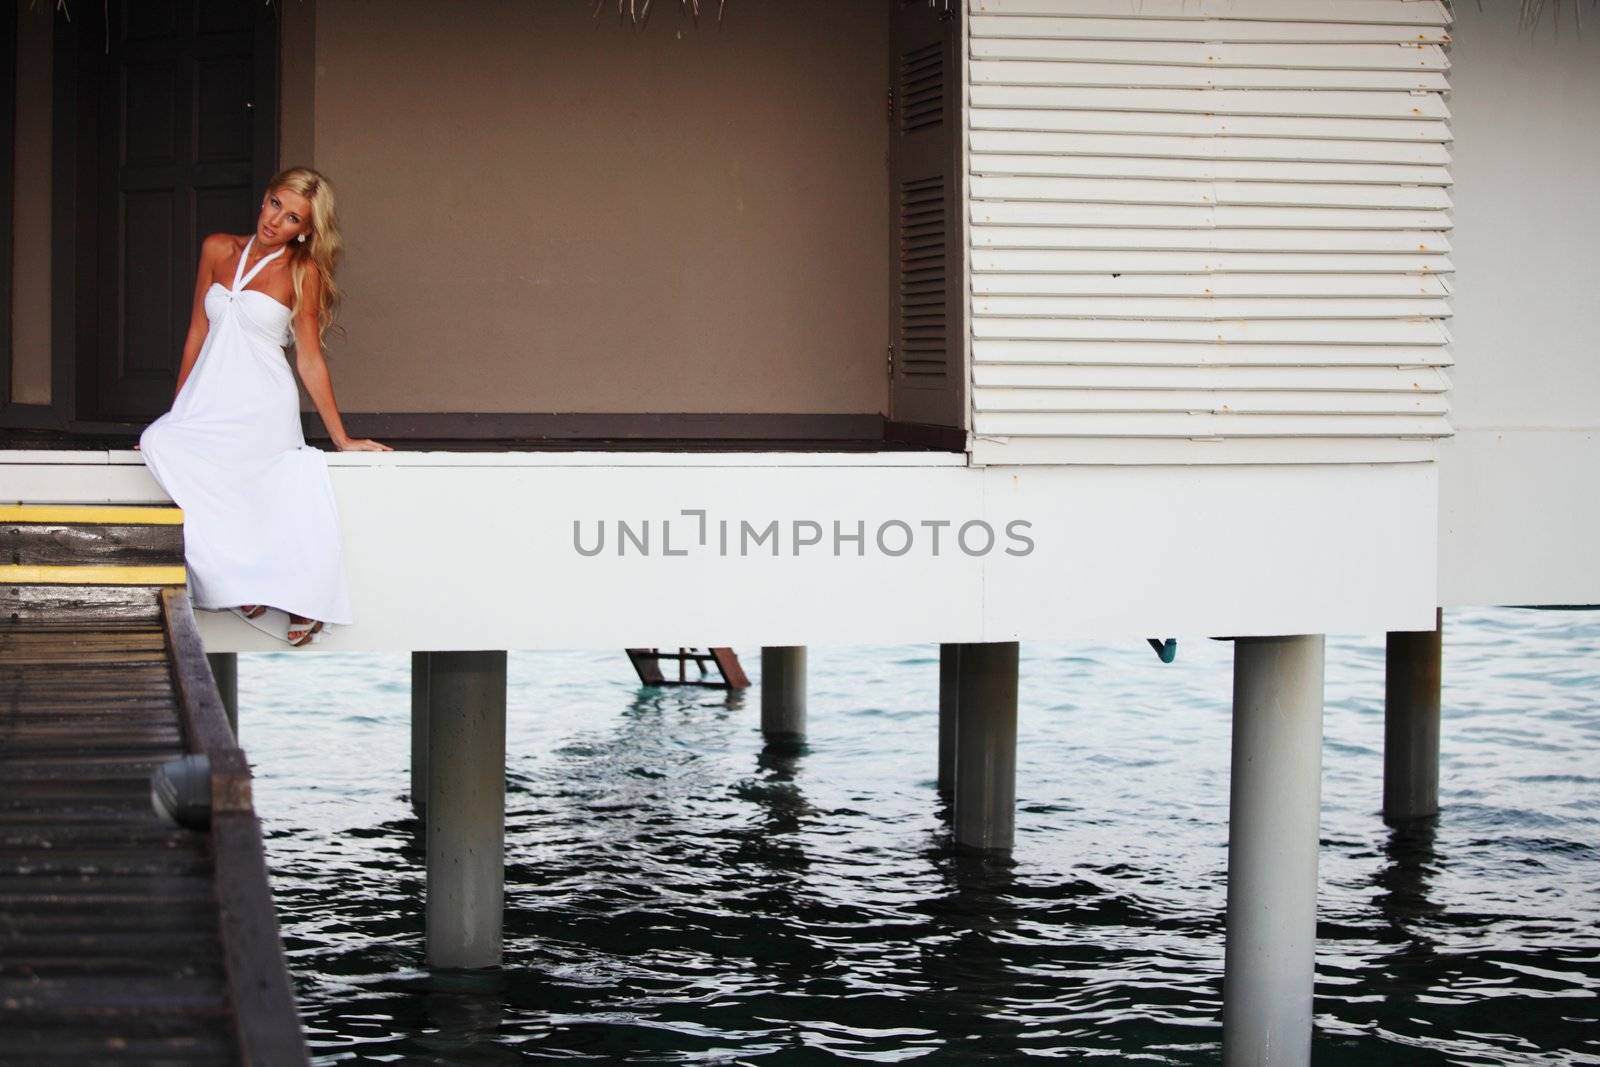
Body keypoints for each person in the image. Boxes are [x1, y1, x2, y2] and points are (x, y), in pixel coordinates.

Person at [137, 166, 390, 646]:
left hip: (263, 404)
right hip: (210, 401)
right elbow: (197, 331)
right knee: (158, 440)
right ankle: (238, 582)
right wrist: (178, 412)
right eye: (276, 204)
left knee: (265, 479)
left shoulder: (302, 270)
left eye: (293, 218)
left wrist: (342, 438)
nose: (276, 221)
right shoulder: (216, 248)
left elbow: (310, 358)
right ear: (266, 197)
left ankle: (285, 592)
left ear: (306, 231)